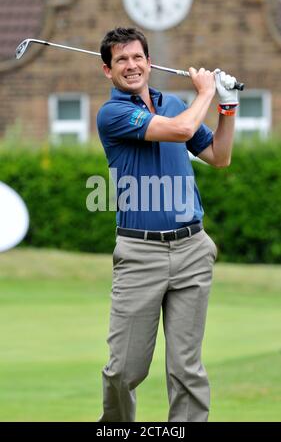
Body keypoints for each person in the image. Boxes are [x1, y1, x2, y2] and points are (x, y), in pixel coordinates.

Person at [96, 27, 238, 422]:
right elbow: (182, 130)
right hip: (140, 253)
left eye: (137, 57)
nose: (131, 65)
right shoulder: (114, 114)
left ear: (149, 62)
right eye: (121, 60)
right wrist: (206, 92)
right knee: (124, 370)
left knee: (186, 370)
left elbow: (218, 155)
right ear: (107, 71)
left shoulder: (174, 103)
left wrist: (228, 107)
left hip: (192, 249)